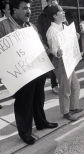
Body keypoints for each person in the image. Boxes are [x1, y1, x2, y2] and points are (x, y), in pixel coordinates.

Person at [0, 0, 58, 145]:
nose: (29, 11)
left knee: (39, 97)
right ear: (14, 10)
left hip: (36, 70)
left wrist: (47, 48)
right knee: (24, 103)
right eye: (25, 8)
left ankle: (41, 122)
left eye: (29, 8)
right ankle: (25, 132)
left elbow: (40, 44)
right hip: (20, 74)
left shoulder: (31, 26)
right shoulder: (3, 25)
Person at [46, 4, 83, 121]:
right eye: (60, 11)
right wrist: (58, 52)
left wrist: (75, 36)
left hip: (68, 60)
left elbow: (70, 41)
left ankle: (73, 107)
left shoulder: (64, 27)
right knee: (65, 88)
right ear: (54, 15)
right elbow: (53, 48)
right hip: (60, 61)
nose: (63, 13)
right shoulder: (52, 31)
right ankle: (65, 112)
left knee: (75, 85)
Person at [37, 0, 59, 95]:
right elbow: (40, 32)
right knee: (53, 66)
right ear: (47, 2)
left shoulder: (60, 12)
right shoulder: (42, 15)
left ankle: (63, 84)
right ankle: (54, 85)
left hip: (60, 44)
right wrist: (44, 45)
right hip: (49, 45)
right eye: (50, 0)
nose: (52, 2)